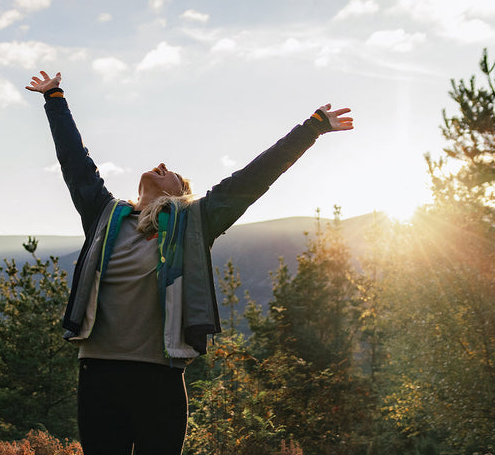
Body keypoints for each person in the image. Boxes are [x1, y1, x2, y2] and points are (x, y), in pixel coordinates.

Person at [26, 70, 353, 455]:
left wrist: (311, 128)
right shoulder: (104, 216)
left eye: (174, 175)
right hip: (99, 373)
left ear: (182, 196)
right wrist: (55, 99)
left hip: (160, 379)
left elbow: (254, 178)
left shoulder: (194, 223)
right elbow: (75, 164)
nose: (162, 165)